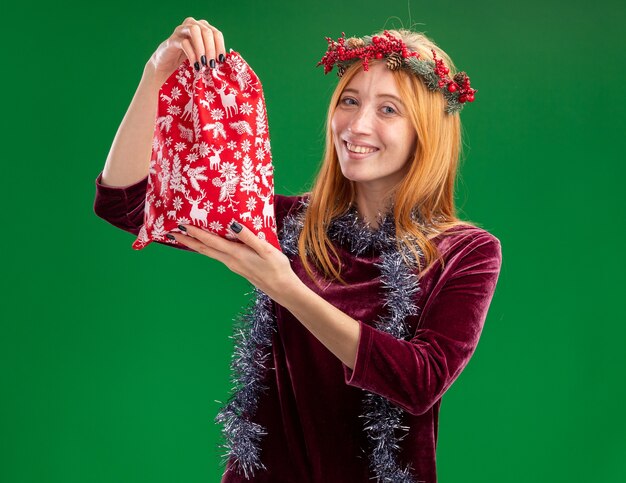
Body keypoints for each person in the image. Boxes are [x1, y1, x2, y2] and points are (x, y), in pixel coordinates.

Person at [93, 17, 502, 483]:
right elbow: (127, 202)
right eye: (350, 100)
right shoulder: (287, 225)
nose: (358, 124)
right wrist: (155, 75)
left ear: (425, 133)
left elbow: (418, 380)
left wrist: (284, 286)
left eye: (389, 110)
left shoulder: (466, 253)